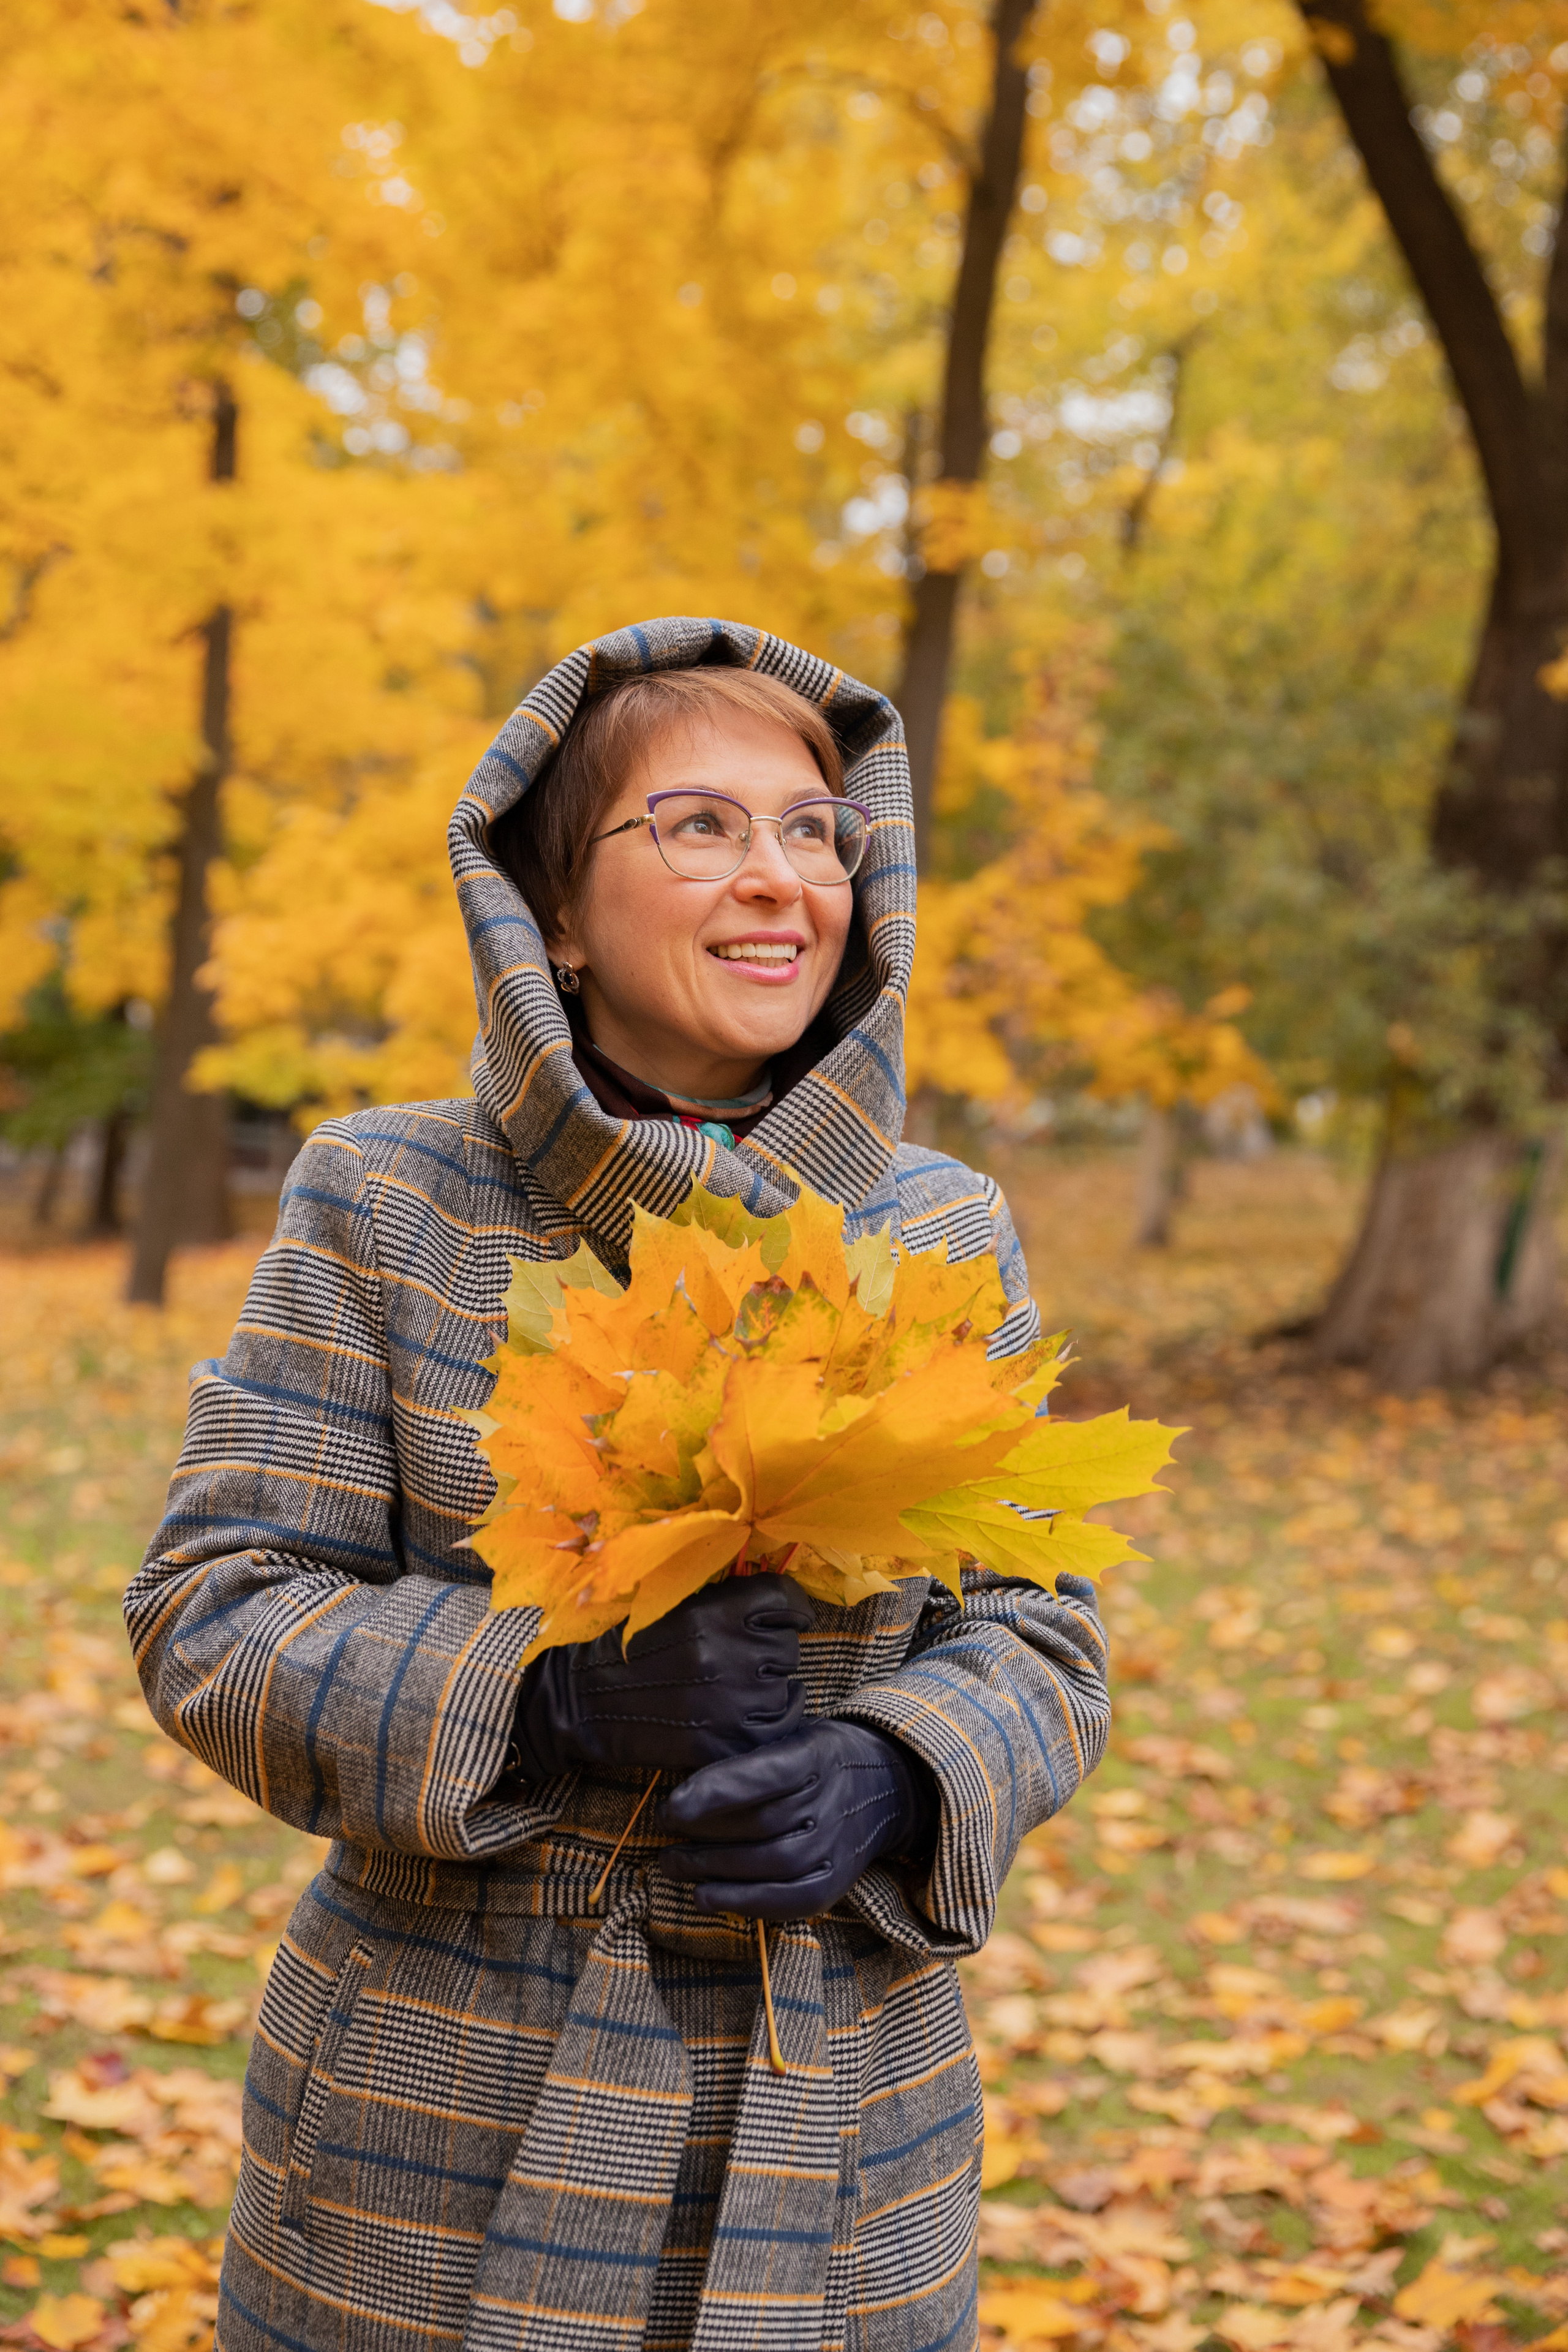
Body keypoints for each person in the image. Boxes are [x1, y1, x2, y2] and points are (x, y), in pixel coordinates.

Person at [128, 618, 1110, 2352]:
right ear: (556, 915)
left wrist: (894, 1775)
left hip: (835, 2116)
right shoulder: (390, 1198)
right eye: (701, 825)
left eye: (813, 830)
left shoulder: (942, 1228)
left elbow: (1043, 1635)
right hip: (436, 2126)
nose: (780, 877)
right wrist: (545, 1695)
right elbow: (215, 1611)